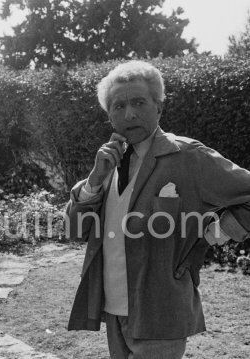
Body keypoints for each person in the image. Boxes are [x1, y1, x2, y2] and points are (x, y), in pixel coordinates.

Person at [66, 60, 250, 359]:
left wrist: (222, 230)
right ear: (109, 115)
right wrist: (94, 182)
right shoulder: (107, 163)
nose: (130, 113)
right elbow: (75, 231)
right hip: (113, 309)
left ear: (159, 107)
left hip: (162, 310)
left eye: (139, 102)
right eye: (118, 105)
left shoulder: (189, 157)